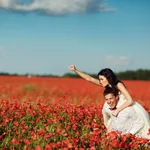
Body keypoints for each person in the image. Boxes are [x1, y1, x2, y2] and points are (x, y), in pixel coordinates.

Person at [68, 65, 133, 117]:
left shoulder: (118, 84)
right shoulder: (105, 84)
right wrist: (75, 70)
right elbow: (89, 78)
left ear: (108, 78)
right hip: (114, 107)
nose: (100, 81)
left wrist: (117, 110)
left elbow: (130, 100)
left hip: (124, 108)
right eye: (99, 79)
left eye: (102, 79)